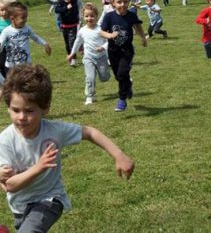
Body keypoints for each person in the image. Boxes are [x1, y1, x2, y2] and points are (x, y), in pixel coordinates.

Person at [0, 63, 134, 232]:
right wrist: (8, 175)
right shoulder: (5, 140)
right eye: (15, 110)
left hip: (49, 199)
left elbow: (90, 132)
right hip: (20, 206)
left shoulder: (55, 131)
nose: (21, 117)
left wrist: (119, 155)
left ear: (45, 108)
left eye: (29, 111)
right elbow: (9, 185)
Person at [100, 0, 147, 112]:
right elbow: (101, 32)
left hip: (127, 51)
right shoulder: (109, 17)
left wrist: (143, 37)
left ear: (129, 1)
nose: (123, 5)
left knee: (122, 73)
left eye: (125, 2)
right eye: (119, 2)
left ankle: (122, 99)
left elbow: (138, 25)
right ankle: (128, 86)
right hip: (113, 51)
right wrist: (109, 35)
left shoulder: (131, 15)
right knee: (119, 76)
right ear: (113, 3)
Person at [67, 3, 110, 105]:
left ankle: (106, 73)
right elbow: (77, 42)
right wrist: (72, 53)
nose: (89, 18)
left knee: (104, 78)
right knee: (90, 78)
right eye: (86, 16)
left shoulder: (100, 29)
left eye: (92, 16)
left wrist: (103, 47)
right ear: (83, 17)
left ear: (96, 16)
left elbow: (109, 41)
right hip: (88, 57)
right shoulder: (82, 30)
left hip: (101, 57)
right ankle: (89, 96)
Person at [0, 2, 51, 74]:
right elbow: (1, 44)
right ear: (12, 18)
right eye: (23, 18)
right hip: (11, 67)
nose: (26, 19)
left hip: (26, 64)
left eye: (26, 17)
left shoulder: (27, 28)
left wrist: (45, 44)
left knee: (26, 83)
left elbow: (35, 37)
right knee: (13, 84)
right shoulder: (6, 31)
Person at [55, 0, 80, 67]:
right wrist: (66, 7)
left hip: (73, 26)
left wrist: (70, 7)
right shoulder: (60, 2)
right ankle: (69, 55)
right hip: (64, 26)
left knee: (72, 42)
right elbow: (57, 10)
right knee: (67, 43)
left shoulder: (74, 2)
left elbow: (74, 12)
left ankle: (73, 58)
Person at [0, 0, 16, 78]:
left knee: (11, 67)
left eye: (7, 10)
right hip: (1, 49)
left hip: (12, 48)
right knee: (2, 64)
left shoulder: (13, 20)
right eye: (2, 10)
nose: (4, 12)